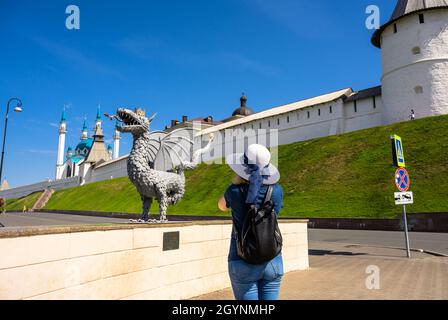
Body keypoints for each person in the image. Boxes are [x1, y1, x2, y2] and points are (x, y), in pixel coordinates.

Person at [218, 144, 284, 300]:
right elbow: (276, 213)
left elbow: (221, 206)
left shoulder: (233, 191)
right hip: (272, 257)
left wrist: (234, 186)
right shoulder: (277, 190)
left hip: (242, 258)